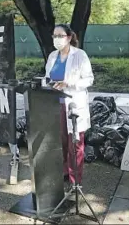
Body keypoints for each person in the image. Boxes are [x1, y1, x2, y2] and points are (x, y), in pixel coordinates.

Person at [45, 24, 94, 188]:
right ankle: (65, 171)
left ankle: (75, 180)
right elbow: (47, 77)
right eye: (54, 36)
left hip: (74, 104)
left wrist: (69, 83)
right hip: (55, 105)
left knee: (76, 143)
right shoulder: (53, 56)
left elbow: (89, 79)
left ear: (69, 37)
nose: (56, 39)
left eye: (60, 35)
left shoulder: (80, 55)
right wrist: (47, 83)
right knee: (61, 142)